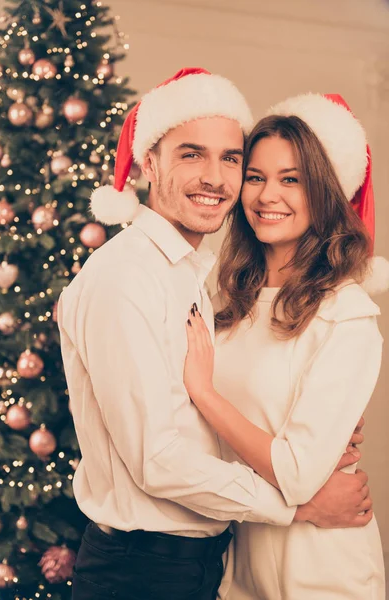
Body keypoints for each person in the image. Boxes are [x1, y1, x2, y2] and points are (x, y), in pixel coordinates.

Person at [58, 71, 372, 600]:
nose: (216, 177)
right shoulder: (126, 277)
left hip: (217, 563)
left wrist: (306, 443)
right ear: (149, 162)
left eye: (230, 159)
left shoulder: (196, 280)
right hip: (144, 570)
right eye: (191, 154)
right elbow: (157, 460)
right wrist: (297, 504)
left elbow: (202, 423)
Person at [183, 93, 387, 599]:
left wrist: (205, 395)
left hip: (320, 569)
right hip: (239, 564)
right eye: (256, 177)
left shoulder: (346, 315)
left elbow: (296, 474)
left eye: (290, 179)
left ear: (323, 192)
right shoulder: (226, 303)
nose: (267, 195)